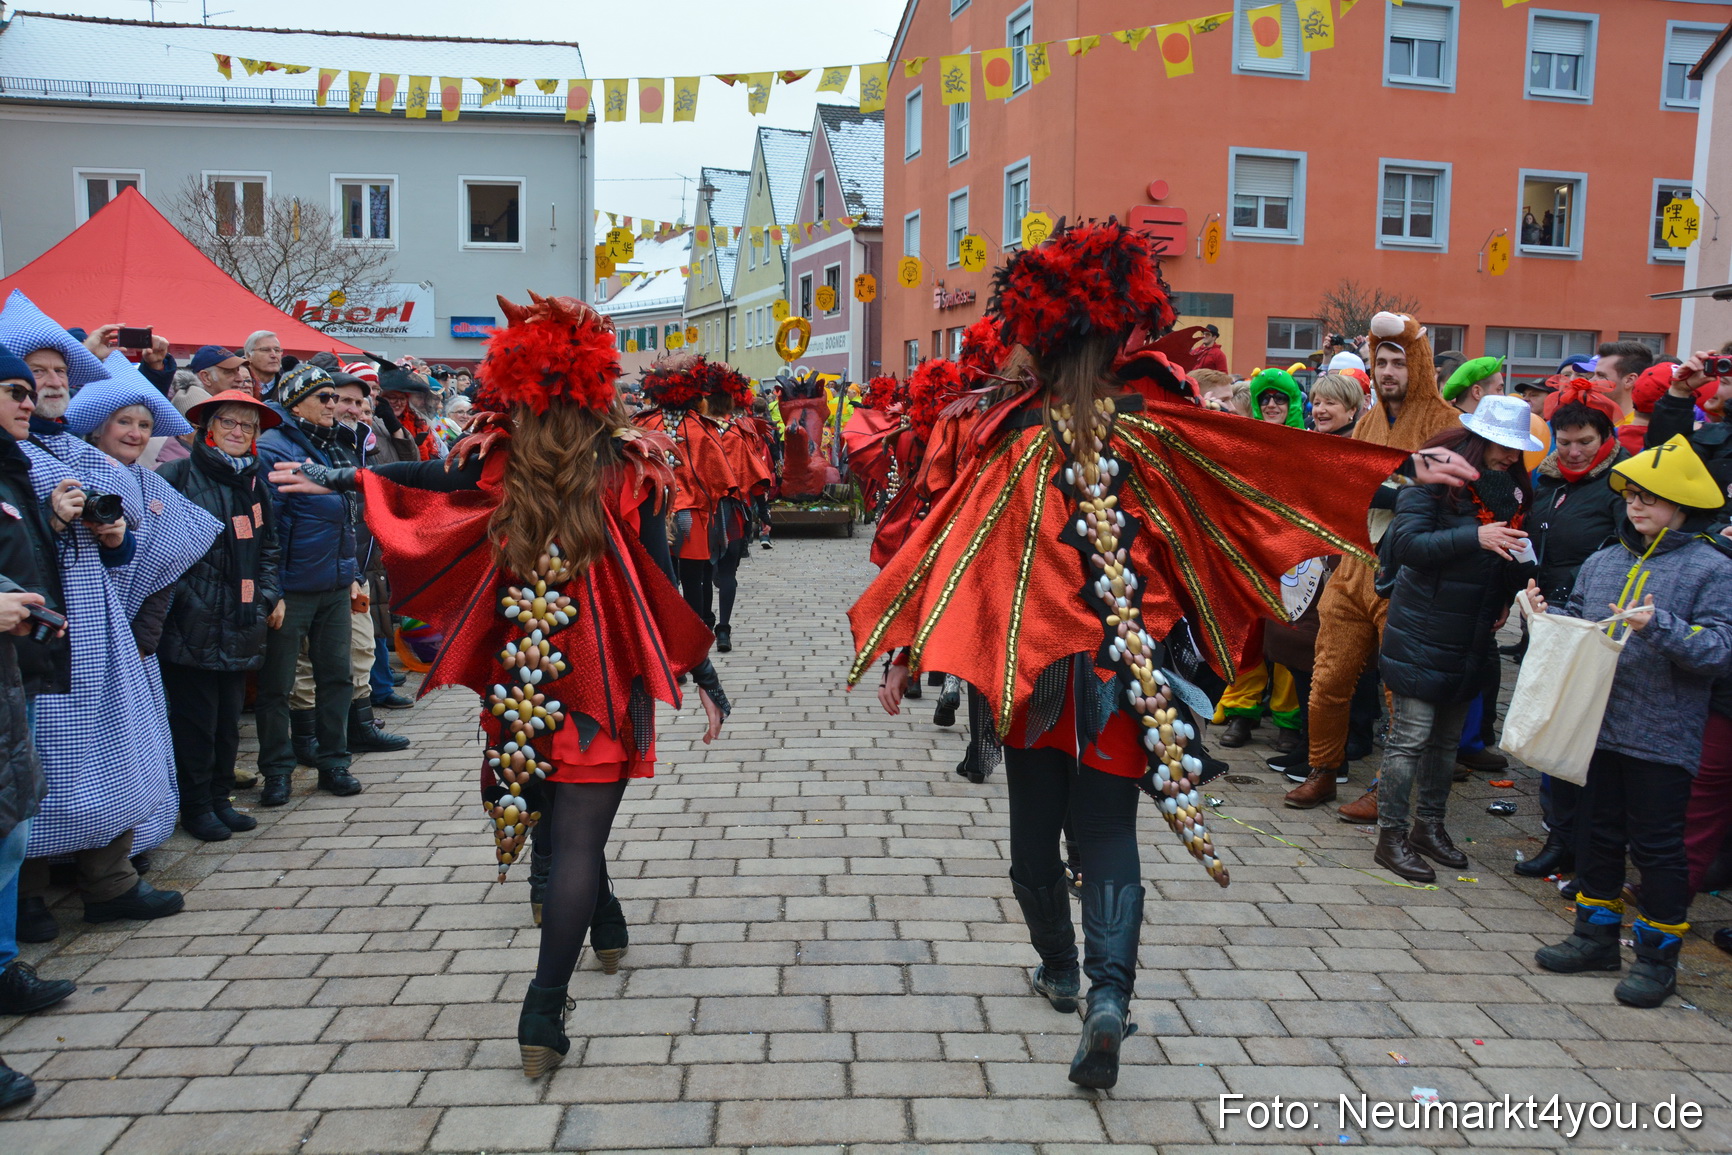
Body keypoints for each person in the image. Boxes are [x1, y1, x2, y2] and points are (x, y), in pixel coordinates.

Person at [850, 220, 1418, 1089]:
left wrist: (904, 650)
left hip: (1035, 679)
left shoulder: (1014, 443)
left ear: (1036, 344)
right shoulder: (1159, 433)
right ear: (1123, 336)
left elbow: (948, 551)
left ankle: (1060, 968)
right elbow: (1267, 474)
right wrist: (1392, 468)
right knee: (1109, 831)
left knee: (1034, 848)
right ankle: (1109, 998)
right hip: (1126, 677)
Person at [269, 291, 728, 1078]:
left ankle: (594, 935)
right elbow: (659, 582)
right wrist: (703, 669)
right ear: (596, 383)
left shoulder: (496, 456)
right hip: (602, 678)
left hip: (523, 674)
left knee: (554, 808)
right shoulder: (629, 463)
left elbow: (418, 480)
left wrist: (335, 476)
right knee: (583, 830)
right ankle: (543, 1008)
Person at [0, 293, 193, 939]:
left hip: (95, 621)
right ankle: (27, 896)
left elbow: (123, 544)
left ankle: (108, 880)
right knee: (41, 755)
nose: (47, 386)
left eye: (57, 374)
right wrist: (54, 521)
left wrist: (114, 538)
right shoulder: (17, 455)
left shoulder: (70, 446)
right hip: (38, 628)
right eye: (32, 375)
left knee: (109, 742)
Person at [1529, 436, 1732, 1008]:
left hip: (1664, 736)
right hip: (1596, 728)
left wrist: (1659, 625)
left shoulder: (1711, 570)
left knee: (1659, 849)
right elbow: (1581, 621)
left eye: (1650, 497)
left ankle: (1657, 958)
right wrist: (1549, 617)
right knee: (1597, 833)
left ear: (1682, 505)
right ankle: (1594, 937)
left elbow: (1720, 648)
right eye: (1632, 495)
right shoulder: (1606, 559)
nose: (1636, 505)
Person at [1285, 312, 1464, 812]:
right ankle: (1322, 770)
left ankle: (1389, 788)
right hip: (1351, 570)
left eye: (1398, 363)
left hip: (1406, 577)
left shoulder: (1445, 424)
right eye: (1381, 362)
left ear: (1420, 367)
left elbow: (1443, 497)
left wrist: (1386, 490)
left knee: (1398, 693)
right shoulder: (1366, 420)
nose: (1388, 372)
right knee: (1328, 677)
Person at [1374, 396, 1539, 880]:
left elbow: (1507, 555)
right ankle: (1390, 838)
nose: (1511, 457)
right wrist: (1476, 538)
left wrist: (1513, 586)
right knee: (1409, 740)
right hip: (1422, 630)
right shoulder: (1432, 481)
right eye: (1502, 447)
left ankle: (1429, 828)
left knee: (1446, 743)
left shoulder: (1511, 493)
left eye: (1517, 450)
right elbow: (1405, 546)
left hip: (1470, 633)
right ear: (1477, 440)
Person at [64, 363, 227, 840]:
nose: (135, 434)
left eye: (145, 426)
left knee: (130, 747)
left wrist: (143, 636)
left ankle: (127, 841)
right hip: (74, 637)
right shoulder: (69, 473)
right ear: (98, 425)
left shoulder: (153, 485)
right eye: (125, 422)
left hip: (133, 642)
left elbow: (168, 567)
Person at [155, 390, 283, 841]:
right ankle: (194, 806)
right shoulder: (175, 476)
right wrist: (188, 600)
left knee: (229, 721)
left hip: (243, 619)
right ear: (208, 428)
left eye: (247, 426)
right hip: (192, 623)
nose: (237, 432)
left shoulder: (253, 482)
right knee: (195, 722)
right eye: (229, 422)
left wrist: (266, 595)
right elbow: (158, 550)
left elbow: (268, 547)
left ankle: (219, 797)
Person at [0, 352, 76, 1108]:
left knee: (9, 829)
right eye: (16, 390)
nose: (33, 401)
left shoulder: (15, 466)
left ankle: (1, 966)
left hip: (12, 673)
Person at [1515, 400, 1628, 880]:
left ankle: (1590, 853)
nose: (1576, 452)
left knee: (1585, 738)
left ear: (1605, 439)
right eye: (1565, 443)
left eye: (1586, 442)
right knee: (1549, 724)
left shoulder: (1620, 488)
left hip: (1592, 626)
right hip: (1545, 621)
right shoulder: (1546, 481)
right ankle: (1558, 839)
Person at [253, 365, 364, 805]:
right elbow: (270, 526)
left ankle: (334, 762)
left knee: (337, 676)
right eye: (323, 398)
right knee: (277, 685)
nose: (333, 405)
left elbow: (350, 517)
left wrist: (353, 575)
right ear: (295, 402)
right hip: (292, 586)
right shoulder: (274, 448)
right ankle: (277, 772)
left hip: (335, 584)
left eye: (334, 398)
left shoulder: (336, 444)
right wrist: (273, 590)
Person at [1215, 368, 1307, 752]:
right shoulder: (1244, 443)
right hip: (1250, 554)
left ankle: (1288, 720)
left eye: (1280, 399)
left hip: (1293, 558)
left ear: (1292, 403)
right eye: (1265, 398)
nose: (1272, 404)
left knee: (1286, 639)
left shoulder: (1308, 447)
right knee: (1249, 638)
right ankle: (1242, 712)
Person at [634, 356, 737, 629]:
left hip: (654, 512)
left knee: (660, 575)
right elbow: (718, 476)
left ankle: (664, 627)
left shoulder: (643, 424)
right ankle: (696, 629)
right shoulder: (701, 426)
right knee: (694, 577)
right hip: (691, 512)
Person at [701, 361, 772, 654]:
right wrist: (763, 513)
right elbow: (756, 475)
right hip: (733, 513)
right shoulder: (739, 432)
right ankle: (724, 630)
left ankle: (706, 622)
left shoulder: (697, 430)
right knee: (729, 574)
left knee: (704, 573)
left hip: (703, 512)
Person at [1593, 340, 1656, 420]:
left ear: (1629, 380)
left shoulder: (1640, 429)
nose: (1591, 381)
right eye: (1594, 375)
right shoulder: (1594, 421)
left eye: (1601, 376)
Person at [244, 330, 284, 399]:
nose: (274, 355)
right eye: (266, 350)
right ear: (248, 356)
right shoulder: (239, 386)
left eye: (277, 350)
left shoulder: (290, 387)